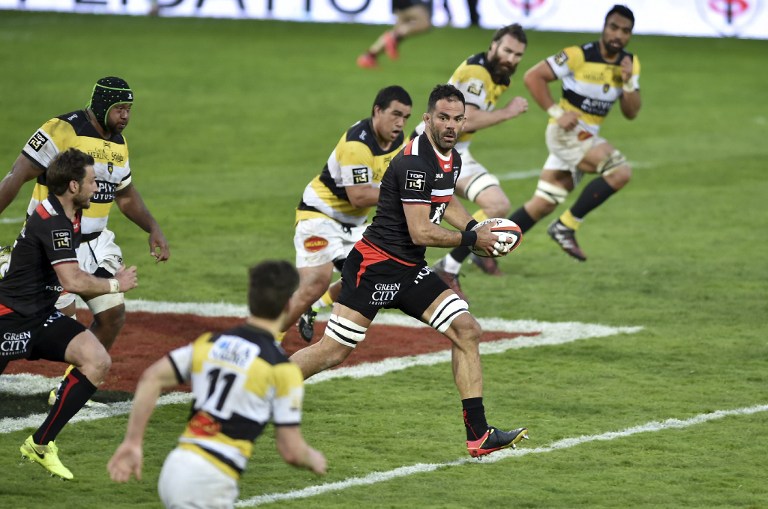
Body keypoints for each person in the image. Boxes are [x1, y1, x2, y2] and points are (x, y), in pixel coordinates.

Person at [289, 84, 528, 458]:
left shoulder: (450, 159)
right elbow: (421, 230)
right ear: (428, 119)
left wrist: (480, 232)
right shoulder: (414, 162)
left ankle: (478, 435)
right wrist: (471, 240)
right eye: (443, 118)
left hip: (408, 269)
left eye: (457, 119)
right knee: (332, 352)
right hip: (376, 267)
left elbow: (445, 201)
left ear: (465, 121)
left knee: (467, 330)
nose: (451, 126)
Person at [0, 76, 170, 404]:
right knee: (30, 326)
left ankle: (67, 389)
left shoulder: (118, 143)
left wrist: (153, 228)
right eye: (120, 108)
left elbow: (125, 194)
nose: (126, 116)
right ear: (103, 105)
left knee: (111, 316)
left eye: (130, 109)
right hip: (54, 242)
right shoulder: (63, 129)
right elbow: (17, 174)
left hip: (95, 244)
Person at [107, 260, 326, 508]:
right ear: (289, 305)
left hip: (176, 466)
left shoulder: (211, 343)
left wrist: (133, 442)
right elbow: (291, 450)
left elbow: (151, 378)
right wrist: (313, 458)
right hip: (210, 480)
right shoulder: (281, 369)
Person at [0, 148, 138, 480]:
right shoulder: (55, 222)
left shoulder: (70, 214)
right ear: (73, 186)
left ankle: (40, 444)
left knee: (96, 360)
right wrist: (115, 285)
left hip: (39, 316)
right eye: (92, 181)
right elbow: (72, 281)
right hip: (8, 318)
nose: (98, 187)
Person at [507, 4, 641, 261]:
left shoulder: (629, 64)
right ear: (604, 27)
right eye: (614, 27)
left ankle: (481, 251)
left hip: (586, 139)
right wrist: (557, 112)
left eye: (625, 31)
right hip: (566, 133)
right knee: (620, 170)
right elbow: (533, 76)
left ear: (630, 35)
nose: (618, 35)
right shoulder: (578, 55)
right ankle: (566, 226)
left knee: (543, 202)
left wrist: (629, 81)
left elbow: (632, 112)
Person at [287, 85, 413, 343]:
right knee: (315, 281)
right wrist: (401, 192)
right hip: (320, 215)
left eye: (405, 117)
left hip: (354, 223)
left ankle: (314, 306)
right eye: (395, 115)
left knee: (366, 274)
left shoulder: (399, 140)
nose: (400, 123)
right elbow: (359, 196)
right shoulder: (358, 144)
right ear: (377, 111)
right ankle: (266, 340)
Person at [412, 24, 527, 298]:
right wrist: (508, 112)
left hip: (456, 151)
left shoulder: (498, 76)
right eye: (507, 50)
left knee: (497, 204)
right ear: (493, 45)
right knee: (414, 225)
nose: (511, 58)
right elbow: (470, 119)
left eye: (518, 54)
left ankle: (450, 265)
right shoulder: (477, 74)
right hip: (432, 150)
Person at [357, 1, 433, 69]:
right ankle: (393, 36)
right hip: (407, 3)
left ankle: (369, 56)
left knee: (399, 30)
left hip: (398, 4)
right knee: (424, 23)